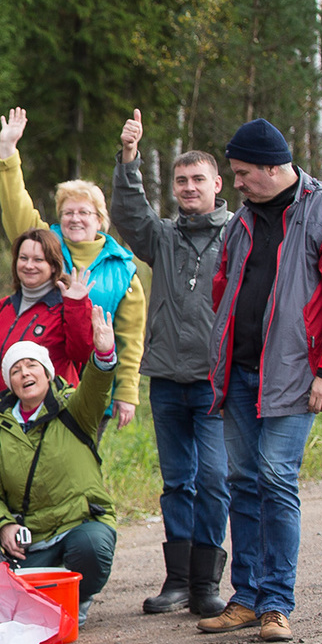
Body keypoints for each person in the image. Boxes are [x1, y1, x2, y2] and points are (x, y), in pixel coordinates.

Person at [199, 118, 322, 643]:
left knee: (276, 479)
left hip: (298, 378)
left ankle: (276, 603)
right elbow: (224, 287)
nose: (237, 183)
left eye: (244, 173)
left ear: (274, 168)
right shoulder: (241, 221)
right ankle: (246, 597)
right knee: (242, 484)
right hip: (241, 374)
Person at [108, 110, 233, 616]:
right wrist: (130, 159)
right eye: (181, 180)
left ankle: (207, 585)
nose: (187, 187)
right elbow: (130, 214)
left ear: (217, 184)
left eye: (197, 179)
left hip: (215, 382)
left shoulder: (238, 235)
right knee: (177, 482)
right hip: (167, 379)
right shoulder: (163, 236)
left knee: (215, 480)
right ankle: (178, 582)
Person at [0, 108, 147, 429]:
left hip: (91, 386)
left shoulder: (122, 270)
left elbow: (130, 337)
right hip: (37, 384)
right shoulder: (46, 246)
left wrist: (127, 391)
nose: (75, 218)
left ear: (99, 219)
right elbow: (15, 204)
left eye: (84, 212)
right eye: (67, 212)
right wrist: (8, 153)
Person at [0, 304, 120, 622]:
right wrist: (3, 525)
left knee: (92, 548)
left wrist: (104, 353)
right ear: (9, 382)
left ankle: (79, 599)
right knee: (13, 597)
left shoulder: (74, 407)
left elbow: (96, 388)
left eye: (31, 366)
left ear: (47, 372)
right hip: (32, 535)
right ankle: (54, 595)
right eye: (15, 370)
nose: (24, 373)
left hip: (78, 524)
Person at [0, 230, 93, 394]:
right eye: (23, 258)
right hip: (4, 413)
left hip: (52, 413)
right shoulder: (2, 308)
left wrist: (77, 306)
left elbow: (83, 353)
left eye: (38, 260)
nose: (29, 265)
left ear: (53, 266)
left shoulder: (65, 309)